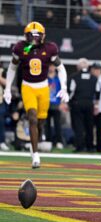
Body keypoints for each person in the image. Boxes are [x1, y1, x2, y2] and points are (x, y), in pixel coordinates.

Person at [3, 21, 69, 169]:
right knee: (32, 117)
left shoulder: (49, 48)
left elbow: (61, 68)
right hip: (27, 87)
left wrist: (64, 86)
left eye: (37, 36)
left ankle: (35, 145)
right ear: (26, 36)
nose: (34, 39)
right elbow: (12, 68)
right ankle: (35, 154)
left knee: (40, 122)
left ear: (43, 36)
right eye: (31, 36)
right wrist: (7, 88)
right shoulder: (21, 47)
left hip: (43, 88)